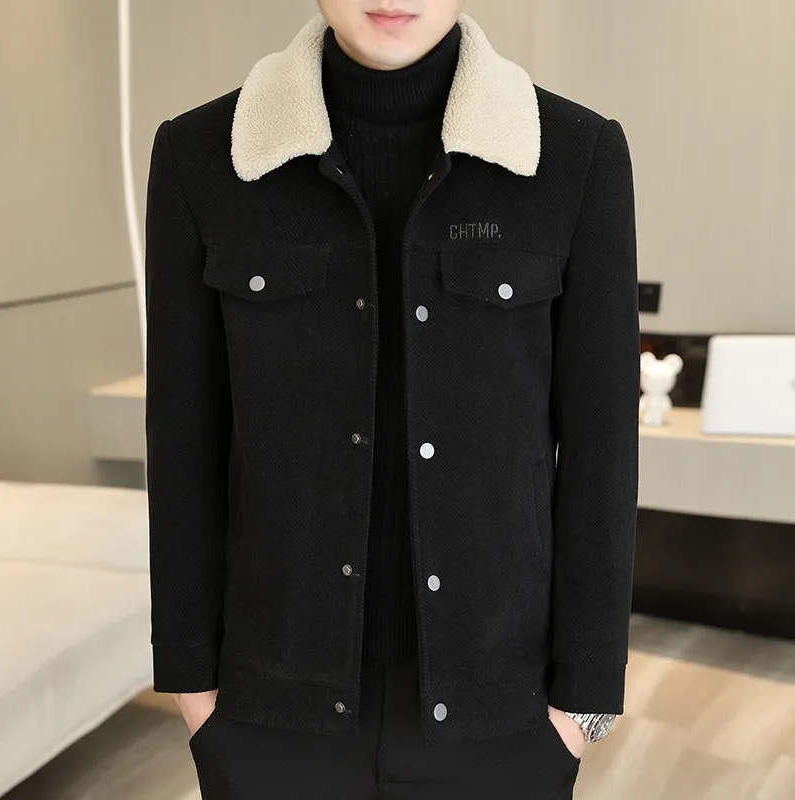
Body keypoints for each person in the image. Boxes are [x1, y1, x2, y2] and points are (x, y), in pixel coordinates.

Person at [143, 1, 640, 798]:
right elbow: (182, 445)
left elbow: (602, 454)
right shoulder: (200, 156)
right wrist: (194, 691)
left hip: (502, 722)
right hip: (268, 716)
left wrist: (581, 710)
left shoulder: (576, 156)